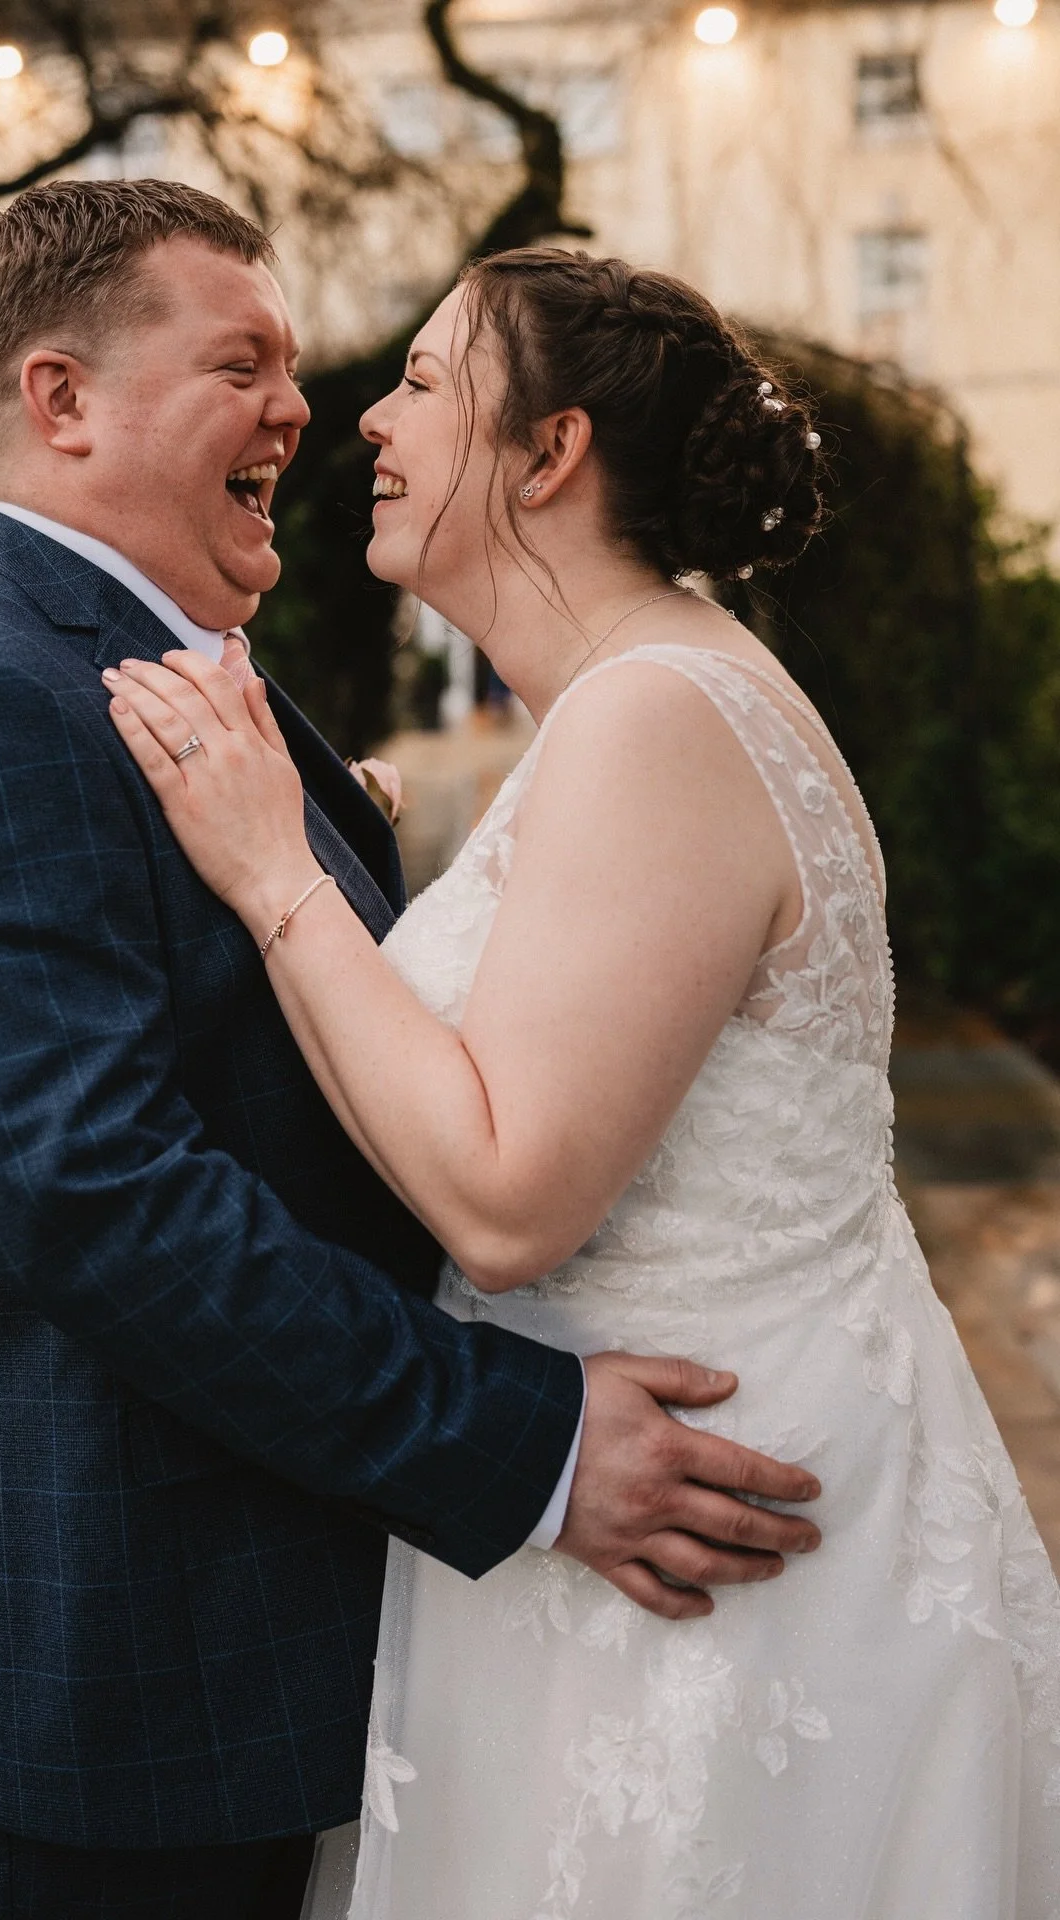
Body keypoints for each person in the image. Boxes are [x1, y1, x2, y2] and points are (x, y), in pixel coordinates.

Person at [0, 184, 824, 1920]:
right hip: (124, 1692)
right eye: (241, 364)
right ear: (63, 401)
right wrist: (533, 1444)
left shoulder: (200, 670)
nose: (305, 409)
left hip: (299, 1642)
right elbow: (108, 1207)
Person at [107, 248, 1060, 1918]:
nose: (367, 422)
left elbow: (506, 1199)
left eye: (420, 381)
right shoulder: (634, 705)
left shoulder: (656, 715)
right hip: (637, 1488)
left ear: (547, 455)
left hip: (704, 1540)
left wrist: (280, 880)